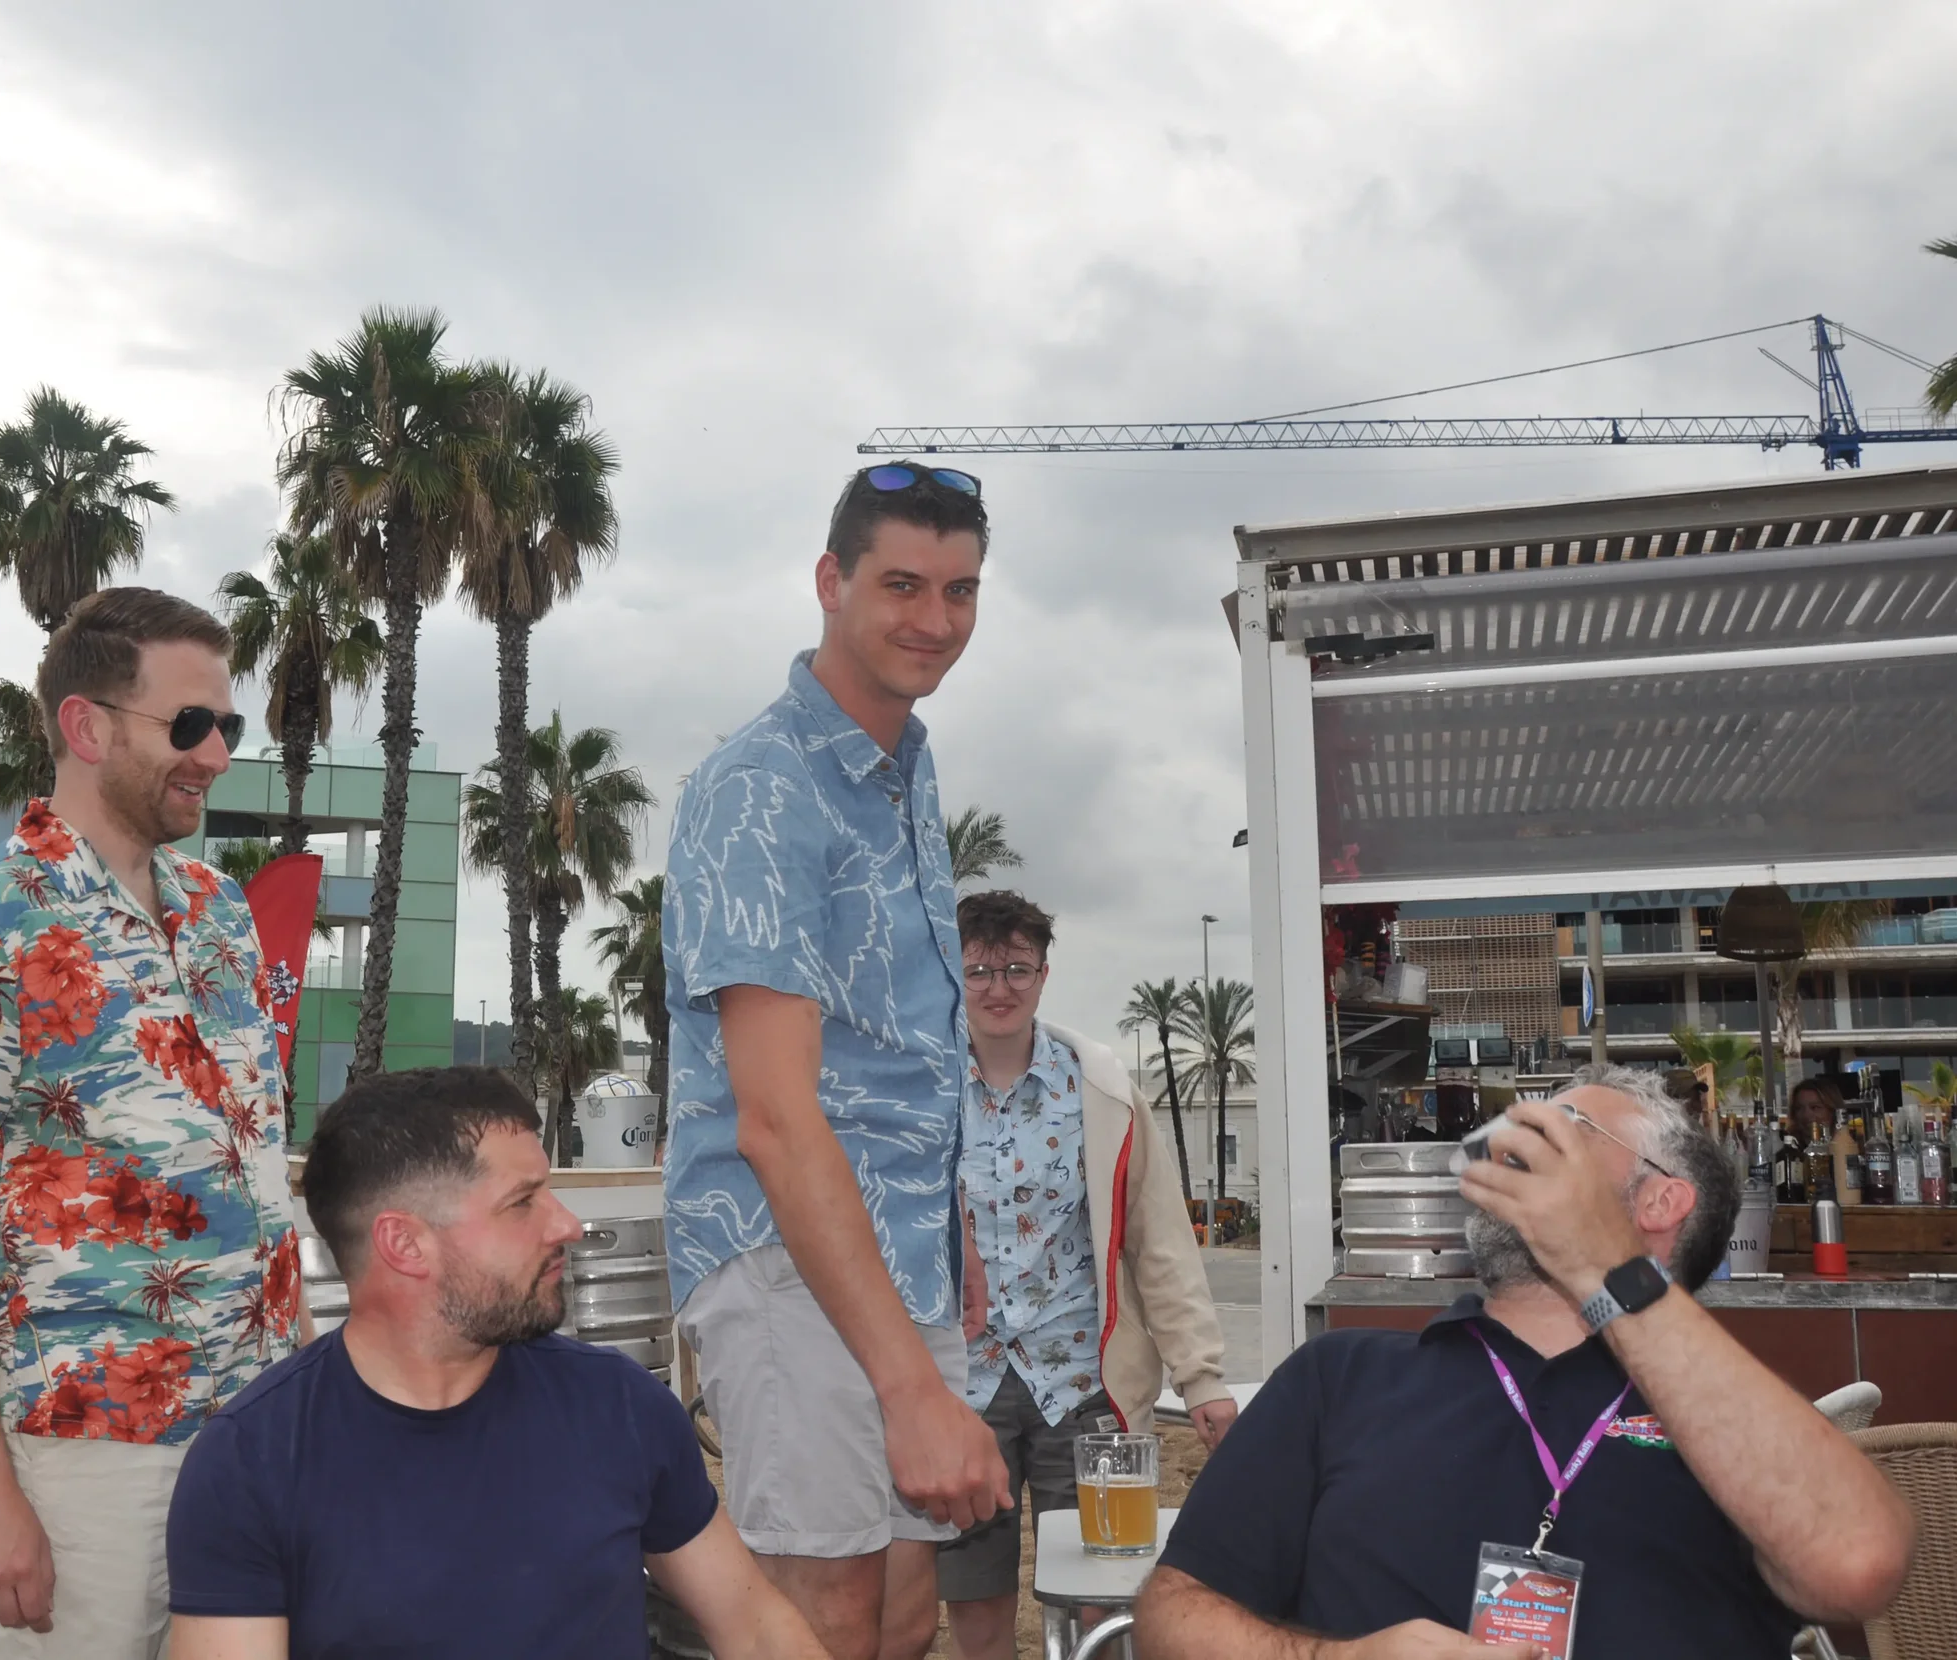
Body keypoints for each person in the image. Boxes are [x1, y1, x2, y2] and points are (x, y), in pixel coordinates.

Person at [1137, 1063, 1912, 1660]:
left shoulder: (1728, 1417)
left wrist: (1608, 1275)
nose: (1508, 1142)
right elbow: (1169, 1617)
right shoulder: (1341, 1374)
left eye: (1563, 1129)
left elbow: (1859, 1564)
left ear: (1659, 1204)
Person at [0, 588, 303, 1659]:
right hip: (89, 1449)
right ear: (87, 725)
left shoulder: (217, 909)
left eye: (229, 727)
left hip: (262, 1426)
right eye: (189, 725)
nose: (214, 753)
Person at [664, 459, 1006, 1660]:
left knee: (907, 1615)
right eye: (902, 585)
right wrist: (910, 1387)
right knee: (823, 1624)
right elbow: (775, 1119)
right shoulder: (763, 788)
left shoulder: (905, 773)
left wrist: (946, 1238)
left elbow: (904, 1062)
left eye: (960, 591)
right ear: (829, 581)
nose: (934, 620)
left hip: (892, 1256)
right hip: (785, 1253)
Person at [164, 1066, 827, 1660]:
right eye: (523, 1201)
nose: (566, 1224)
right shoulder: (252, 1463)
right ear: (404, 1243)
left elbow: (756, 1627)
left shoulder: (619, 1407)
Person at [938, 890, 1236, 1660]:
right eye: (978, 970)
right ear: (953, 971)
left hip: (1083, 1385)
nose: (998, 987)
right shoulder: (921, 1092)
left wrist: (1201, 1378)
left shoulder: (1100, 1090)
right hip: (960, 1388)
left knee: (1103, 1593)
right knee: (975, 1597)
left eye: (1015, 968)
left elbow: (1160, 1242)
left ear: (1042, 973)